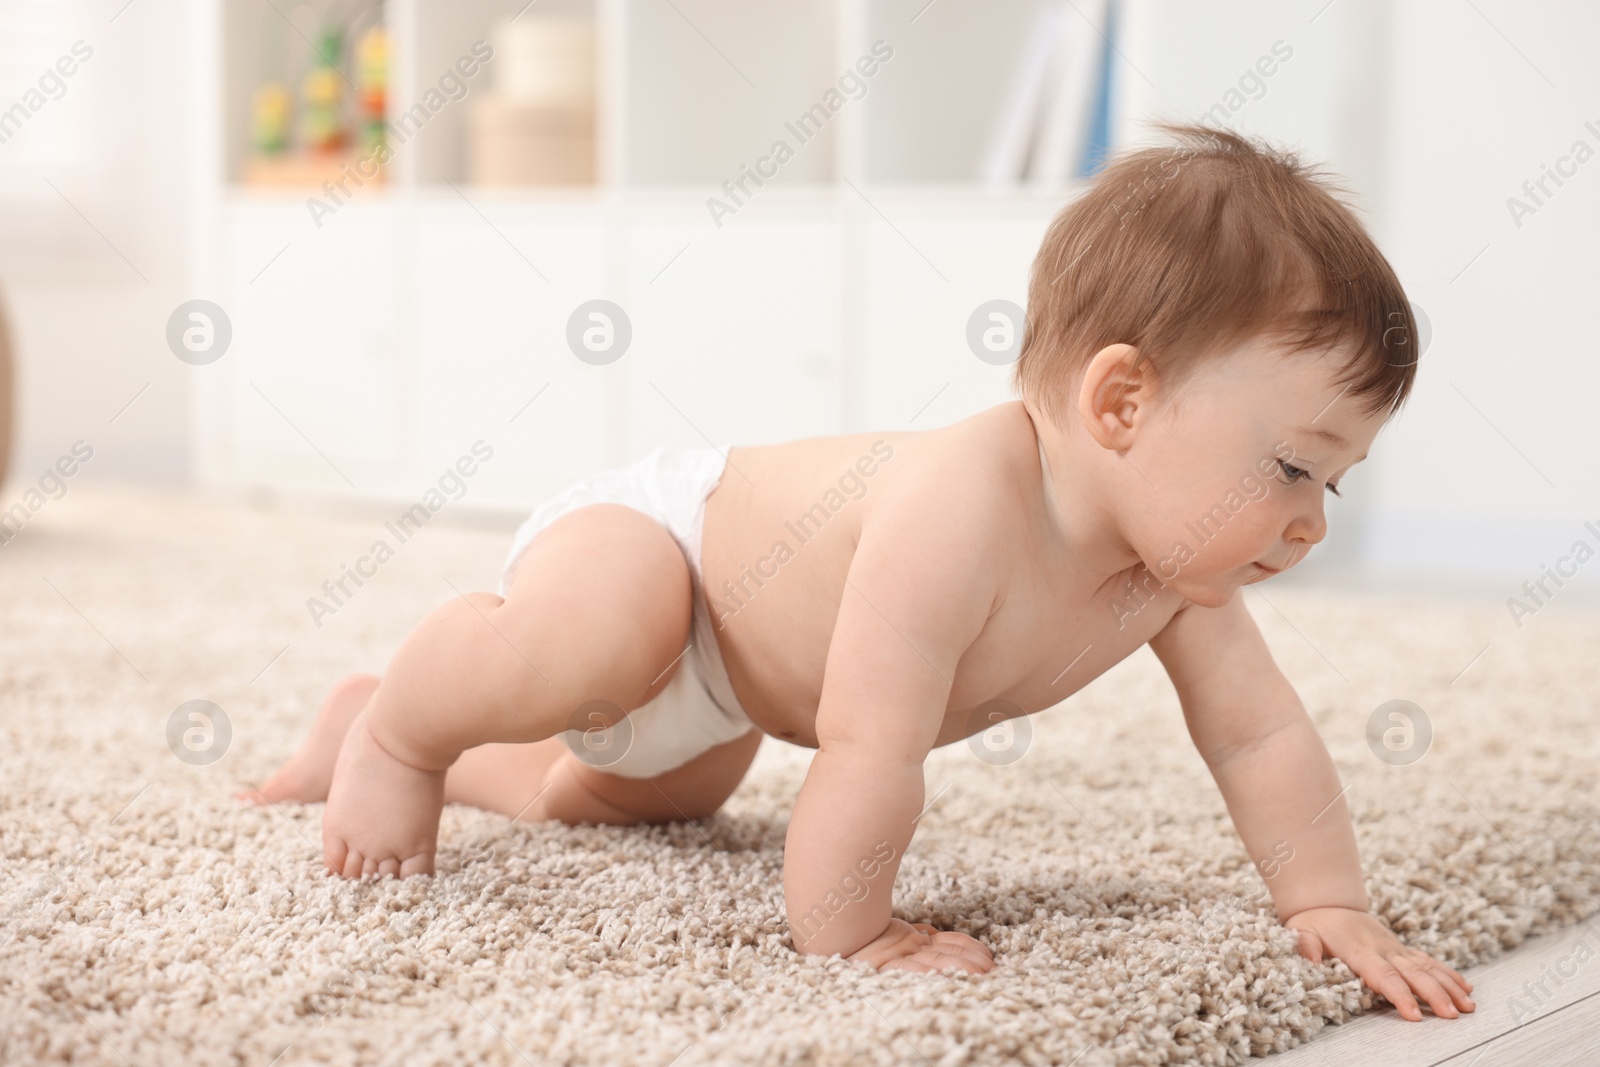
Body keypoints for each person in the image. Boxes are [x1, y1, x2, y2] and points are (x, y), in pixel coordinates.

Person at [246, 121, 1474, 1022]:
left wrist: (1326, 900)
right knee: (588, 645)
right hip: (666, 547)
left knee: (609, 795)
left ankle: (384, 721)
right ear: (1120, 401)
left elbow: (1258, 735)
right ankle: (402, 735)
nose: (1309, 520)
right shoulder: (958, 508)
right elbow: (867, 747)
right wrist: (852, 929)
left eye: (1334, 478)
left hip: (731, 686)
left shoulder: (1170, 571)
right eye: (1289, 466)